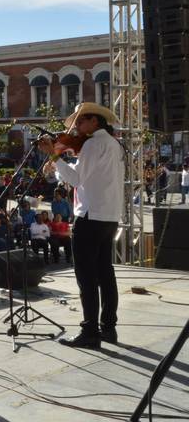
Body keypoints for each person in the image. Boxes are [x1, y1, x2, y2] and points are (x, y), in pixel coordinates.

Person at [40, 102, 124, 348]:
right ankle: (108, 328)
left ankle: (90, 332)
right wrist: (58, 163)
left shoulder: (92, 144)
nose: (76, 127)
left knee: (86, 276)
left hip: (89, 216)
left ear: (94, 121)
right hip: (109, 214)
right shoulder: (114, 144)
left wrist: (54, 156)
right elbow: (83, 174)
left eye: (80, 122)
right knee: (105, 273)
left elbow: (76, 179)